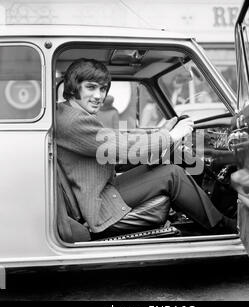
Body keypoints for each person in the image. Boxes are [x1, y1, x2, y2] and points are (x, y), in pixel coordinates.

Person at [56, 58, 236, 239]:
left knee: (167, 162)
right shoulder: (73, 121)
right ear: (74, 86)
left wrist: (161, 133)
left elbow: (115, 138)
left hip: (100, 190)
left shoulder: (68, 113)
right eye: (91, 87)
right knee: (172, 174)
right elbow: (122, 147)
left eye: (103, 89)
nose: (98, 96)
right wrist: (170, 136)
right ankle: (224, 226)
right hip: (97, 204)